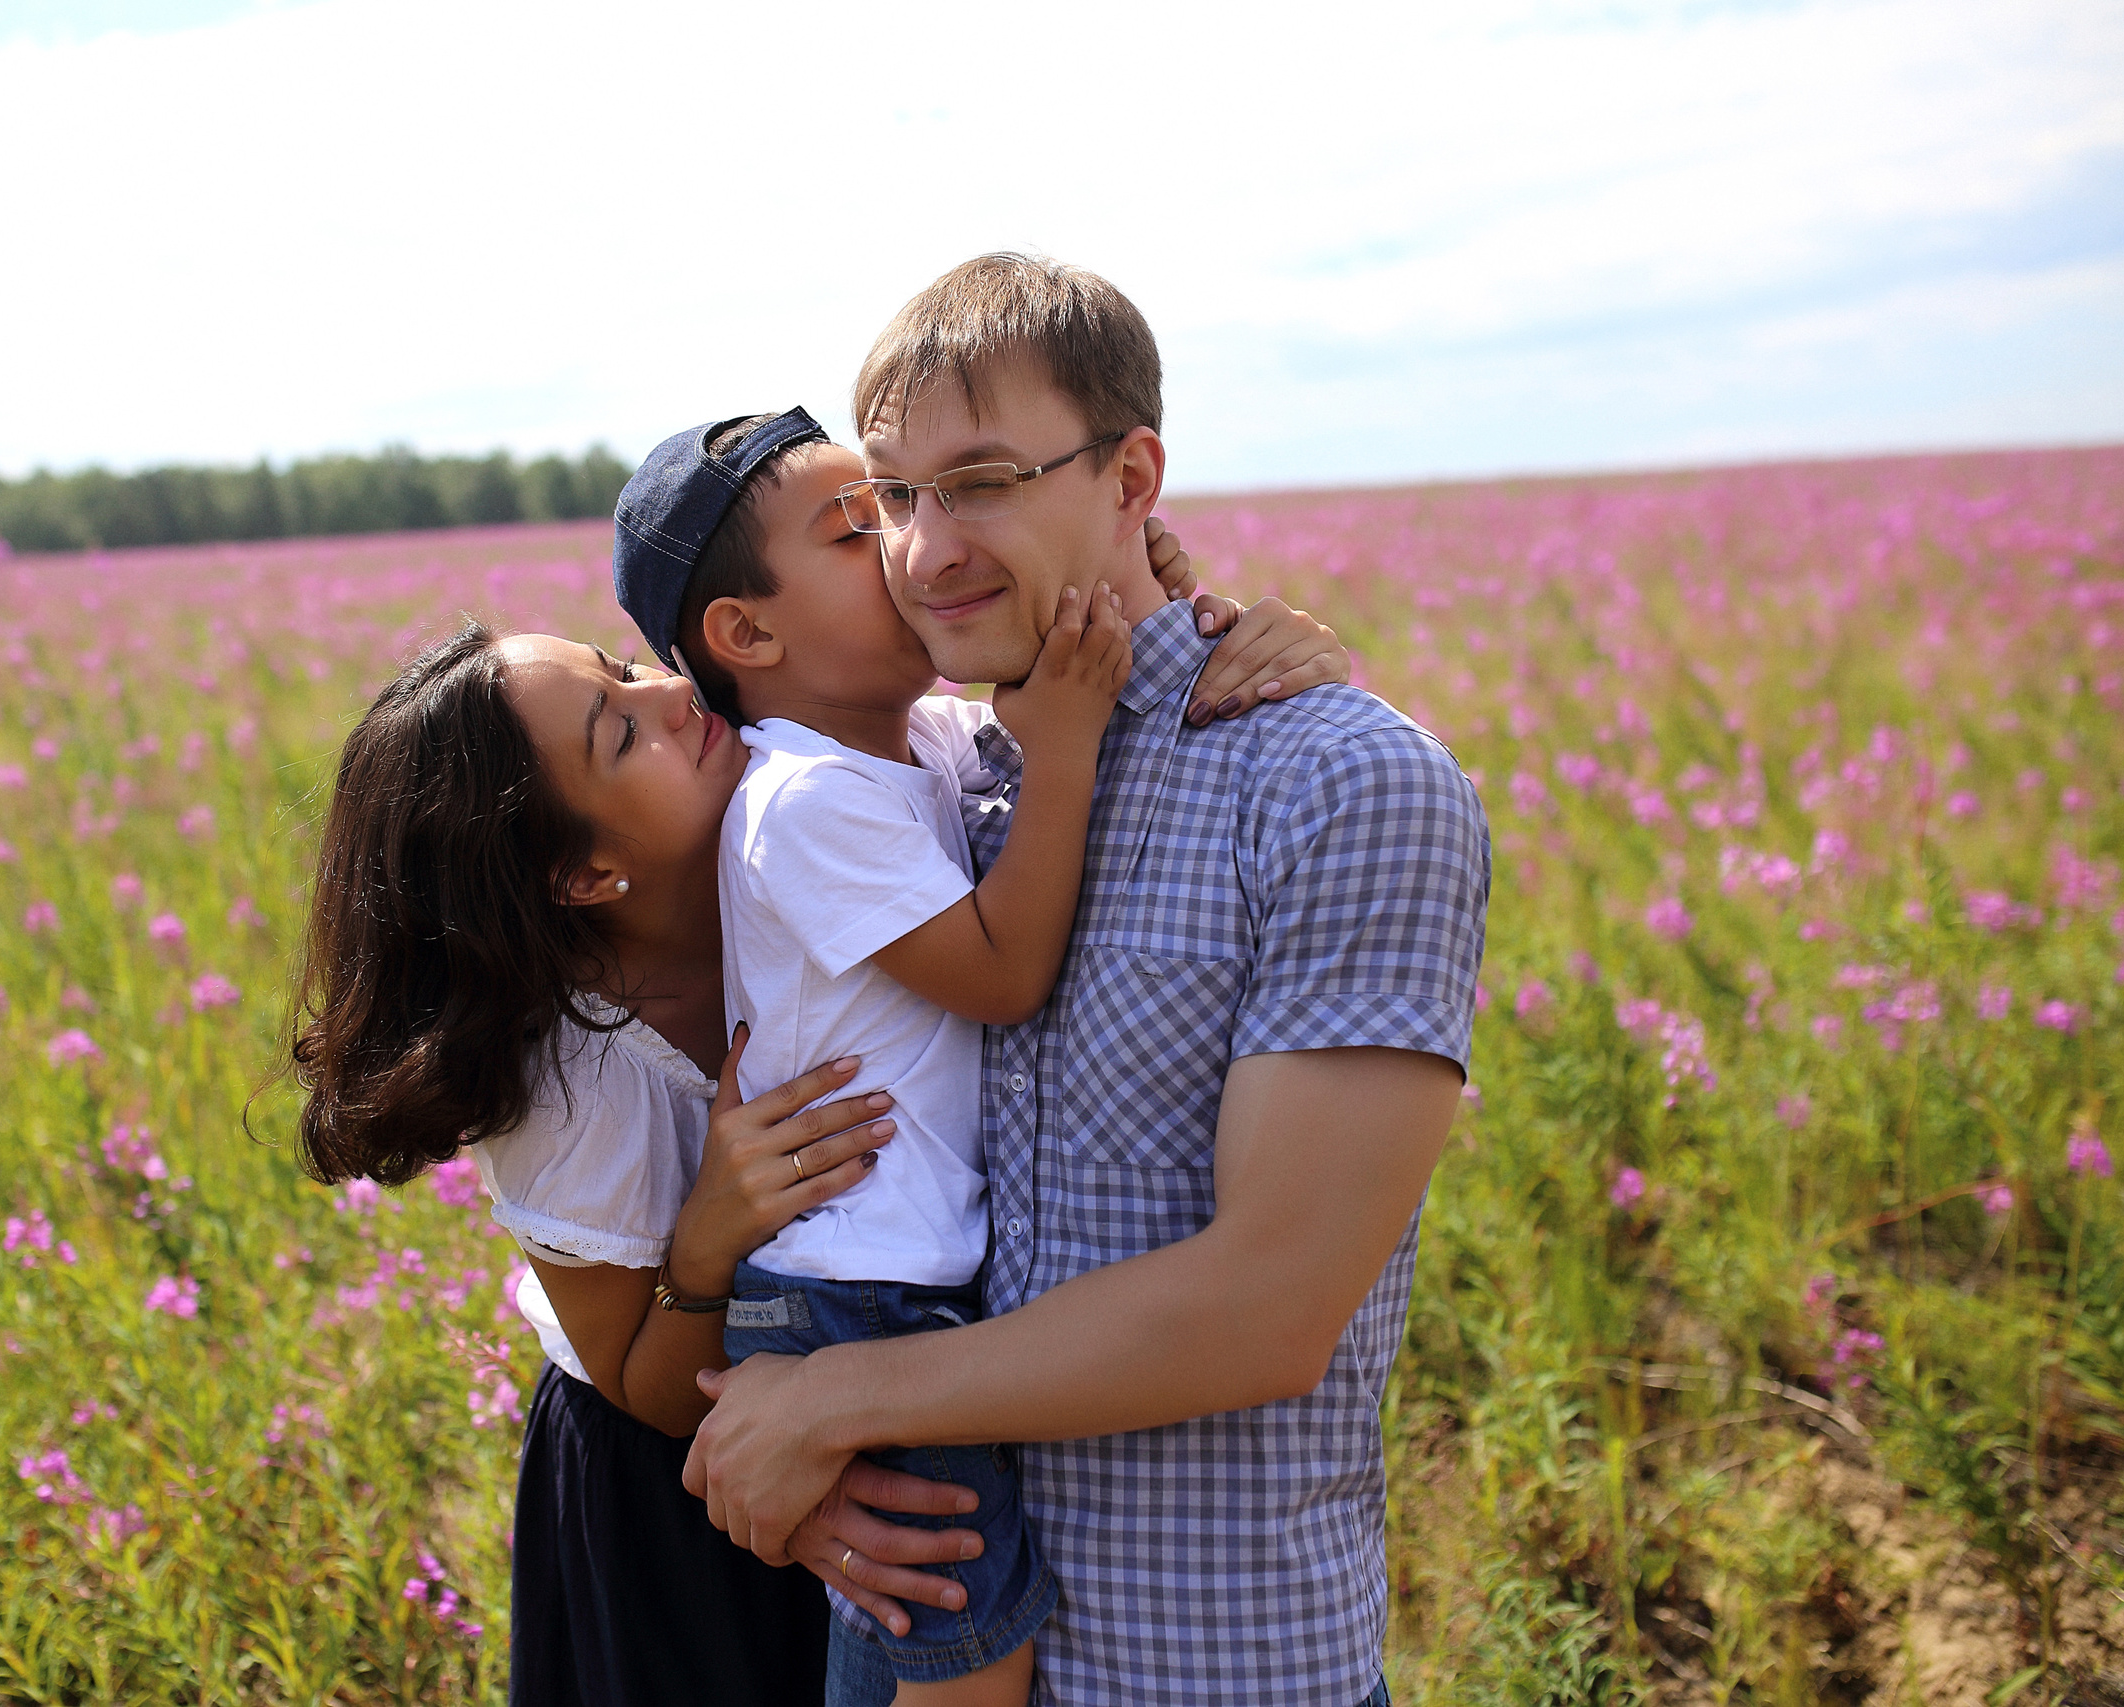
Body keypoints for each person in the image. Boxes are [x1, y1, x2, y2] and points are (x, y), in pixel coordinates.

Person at [282, 434, 1351, 1704]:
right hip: (669, 1487)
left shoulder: (850, 774)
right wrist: (708, 1240)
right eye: (619, 732)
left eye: (624, 666)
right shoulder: (566, 1073)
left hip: (845, 1383)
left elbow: (1077, 696)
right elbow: (641, 1387)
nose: (669, 693)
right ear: (585, 875)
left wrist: (1234, 637)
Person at [680, 254, 1494, 1707]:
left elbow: (1269, 1306)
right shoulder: (941, 785)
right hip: (917, 1629)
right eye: (892, 497)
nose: (926, 550)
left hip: (1204, 1668)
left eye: (983, 482)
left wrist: (826, 1402)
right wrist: (727, 1286)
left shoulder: (1340, 783)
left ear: (1133, 480)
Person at [608, 410, 1136, 1704]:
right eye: (860, 528)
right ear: (748, 635)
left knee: (904, 1641)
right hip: (857, 1293)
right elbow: (1003, 974)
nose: (911, 546)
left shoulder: (920, 740)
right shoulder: (804, 800)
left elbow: (1059, 645)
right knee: (965, 1648)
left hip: (881, 1278)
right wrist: (1066, 750)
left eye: (901, 502)